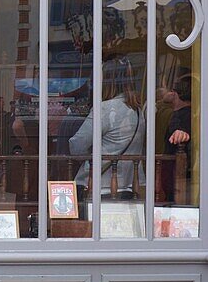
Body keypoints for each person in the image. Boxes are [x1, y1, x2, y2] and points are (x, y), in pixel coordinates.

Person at [69, 57, 145, 201]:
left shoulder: (105, 108)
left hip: (100, 186)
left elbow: (77, 145)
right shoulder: (138, 111)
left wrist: (89, 154)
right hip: (129, 185)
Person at [159, 72, 193, 203]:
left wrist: (181, 133)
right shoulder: (191, 114)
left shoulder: (179, 116)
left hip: (174, 176)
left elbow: (178, 133)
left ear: (174, 93)